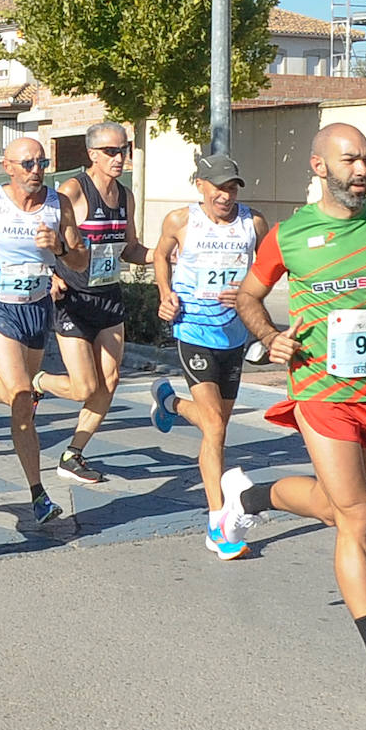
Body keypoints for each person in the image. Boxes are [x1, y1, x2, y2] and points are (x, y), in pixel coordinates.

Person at [230, 122, 366, 700]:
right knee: (359, 514)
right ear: (320, 167)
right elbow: (248, 295)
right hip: (319, 392)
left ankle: (247, 499)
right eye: (350, 160)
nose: (362, 169)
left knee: (334, 508)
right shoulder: (293, 235)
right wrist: (269, 337)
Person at [0, 137, 88, 524]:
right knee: (22, 395)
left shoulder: (58, 205)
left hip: (38, 308)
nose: (35, 170)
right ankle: (38, 494)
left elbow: (80, 258)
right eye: (27, 163)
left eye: (41, 162)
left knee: (18, 391)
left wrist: (58, 247)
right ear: (8, 166)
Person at [148, 153, 268, 560]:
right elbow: (159, 255)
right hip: (192, 330)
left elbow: (270, 269)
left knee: (219, 425)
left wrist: (252, 294)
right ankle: (218, 521)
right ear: (200, 184)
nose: (226, 195)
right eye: (218, 187)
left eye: (232, 187)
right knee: (214, 426)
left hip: (232, 334)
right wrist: (165, 294)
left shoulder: (252, 223)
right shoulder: (181, 221)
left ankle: (168, 403)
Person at [31, 122, 152, 483]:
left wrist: (166, 254)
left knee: (110, 380)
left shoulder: (125, 195)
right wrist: (48, 274)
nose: (120, 158)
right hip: (73, 297)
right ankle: (38, 382)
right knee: (84, 387)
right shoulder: (72, 191)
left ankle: (73, 454)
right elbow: (44, 238)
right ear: (92, 155)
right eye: (112, 152)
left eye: (125, 150)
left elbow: (130, 249)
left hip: (109, 297)